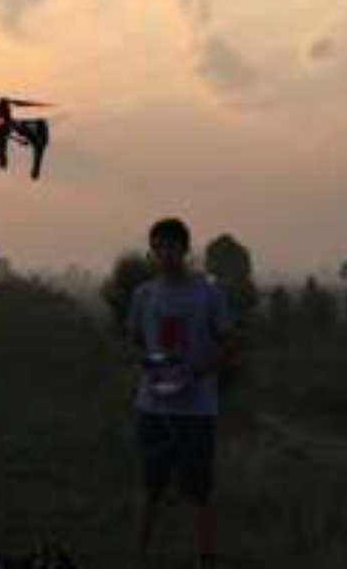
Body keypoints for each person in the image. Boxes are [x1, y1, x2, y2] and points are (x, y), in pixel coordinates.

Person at [127, 218, 234, 569]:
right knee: (149, 487)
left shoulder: (208, 293)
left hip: (196, 409)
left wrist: (197, 371)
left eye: (170, 246)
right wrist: (155, 369)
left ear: (185, 250)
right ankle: (139, 557)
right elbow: (136, 343)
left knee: (199, 491)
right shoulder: (143, 295)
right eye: (157, 247)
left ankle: (206, 559)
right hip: (153, 407)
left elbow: (226, 344)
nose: (164, 254)